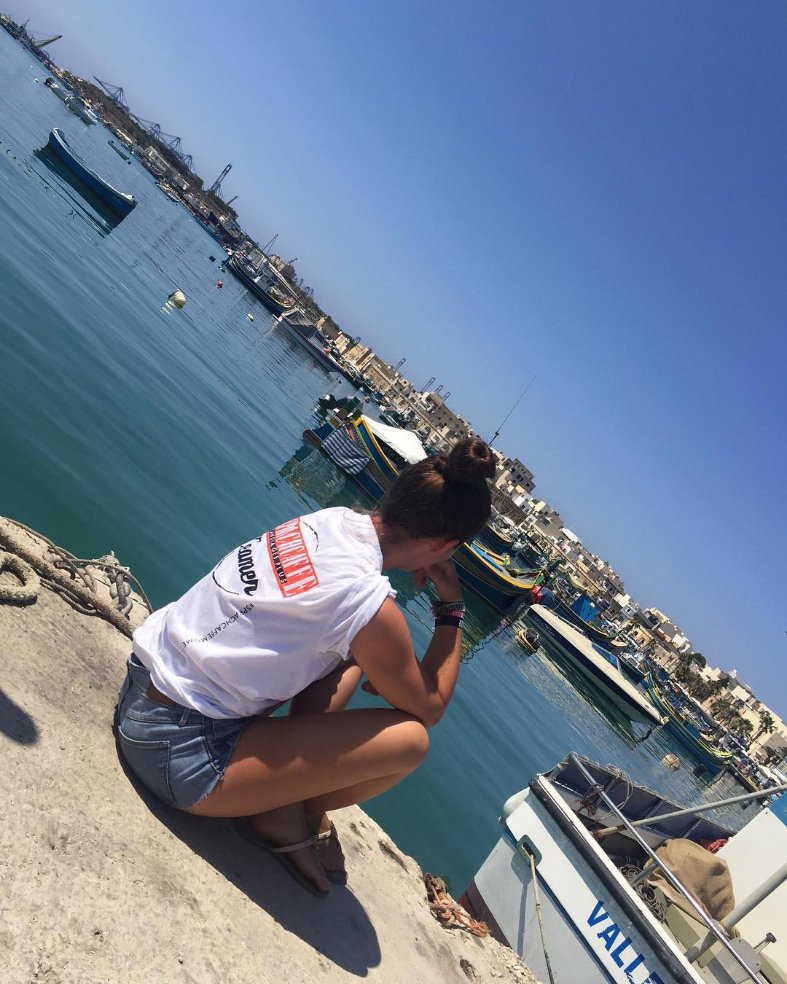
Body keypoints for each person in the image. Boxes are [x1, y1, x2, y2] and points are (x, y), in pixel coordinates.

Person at [115, 437, 496, 896]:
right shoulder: (368, 603)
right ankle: (283, 811)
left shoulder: (330, 521)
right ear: (446, 546)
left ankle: (281, 802)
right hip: (176, 754)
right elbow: (429, 707)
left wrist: (381, 659)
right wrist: (451, 609)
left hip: (141, 681)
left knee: (351, 649)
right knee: (410, 742)